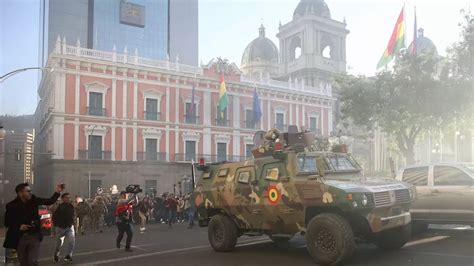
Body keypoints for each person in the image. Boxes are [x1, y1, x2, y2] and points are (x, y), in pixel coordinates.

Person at [3, 183, 64, 266]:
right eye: (27, 191)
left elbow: (49, 201)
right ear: (20, 193)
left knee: (32, 261)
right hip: (19, 237)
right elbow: (7, 222)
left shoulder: (34, 200)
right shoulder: (11, 206)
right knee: (23, 262)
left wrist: (57, 191)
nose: (30, 193)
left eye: (30, 191)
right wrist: (18, 226)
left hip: (34, 235)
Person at [52, 193, 76, 262]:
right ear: (63, 199)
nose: (68, 199)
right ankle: (56, 254)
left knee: (72, 240)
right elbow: (53, 215)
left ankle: (69, 255)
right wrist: (56, 225)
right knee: (59, 244)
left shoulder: (71, 206)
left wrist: (73, 223)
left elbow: (73, 215)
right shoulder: (58, 206)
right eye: (66, 197)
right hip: (60, 227)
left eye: (69, 197)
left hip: (69, 227)